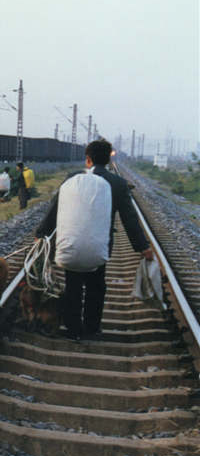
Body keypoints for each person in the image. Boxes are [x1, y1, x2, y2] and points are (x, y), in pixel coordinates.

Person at [35, 139, 154, 340]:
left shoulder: (72, 179)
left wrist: (41, 234)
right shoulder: (118, 183)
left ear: (87, 159)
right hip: (100, 245)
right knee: (96, 286)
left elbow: (56, 208)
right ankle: (91, 328)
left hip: (71, 242)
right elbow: (129, 218)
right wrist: (142, 247)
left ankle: (73, 329)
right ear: (108, 159)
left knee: (72, 285)